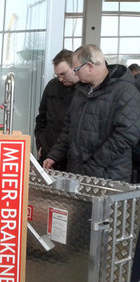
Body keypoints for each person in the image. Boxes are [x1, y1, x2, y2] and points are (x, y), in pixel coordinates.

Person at [43, 44, 140, 182]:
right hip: (79, 172)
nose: (75, 73)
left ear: (89, 66)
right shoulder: (81, 91)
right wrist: (54, 155)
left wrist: (94, 164)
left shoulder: (125, 91)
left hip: (109, 176)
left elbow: (126, 135)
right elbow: (68, 128)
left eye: (76, 69)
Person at [34, 49, 80, 170]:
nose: (60, 79)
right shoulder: (52, 86)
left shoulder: (85, 90)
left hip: (71, 159)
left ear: (75, 67)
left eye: (63, 74)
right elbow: (41, 118)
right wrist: (40, 144)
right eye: (57, 75)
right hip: (47, 154)